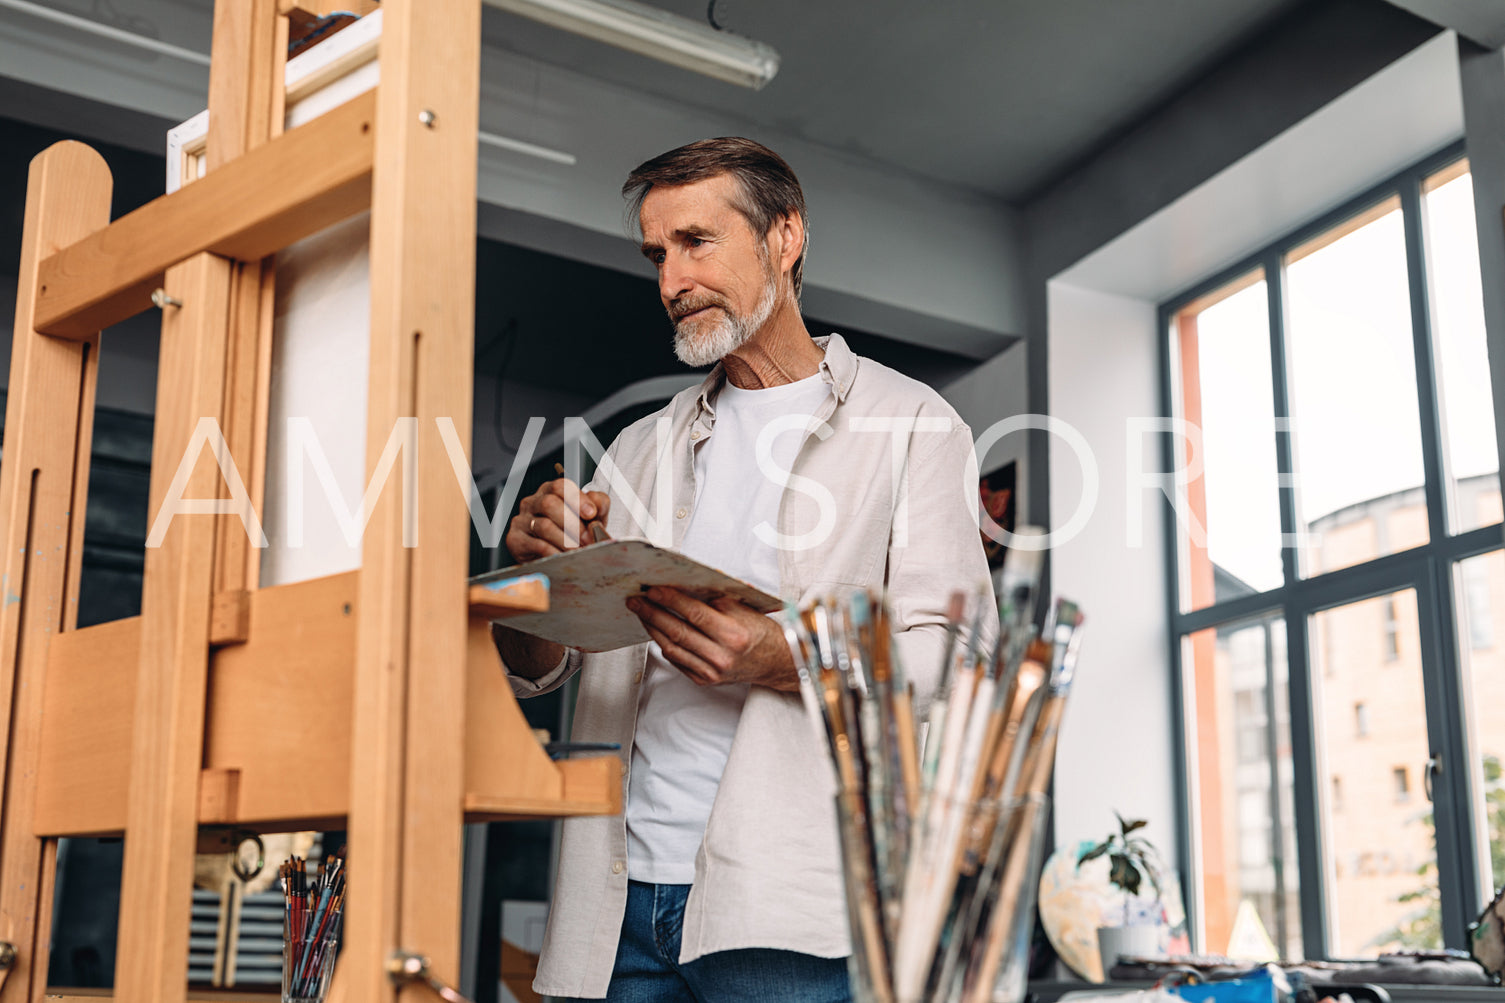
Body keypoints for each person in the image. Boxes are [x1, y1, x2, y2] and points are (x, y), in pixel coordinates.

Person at [494, 137, 993, 1001]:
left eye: (697, 242)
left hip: (794, 910)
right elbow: (539, 668)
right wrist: (535, 584)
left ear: (784, 237)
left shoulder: (912, 423)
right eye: (657, 254)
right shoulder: (638, 448)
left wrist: (786, 655)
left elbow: (956, 658)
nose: (670, 281)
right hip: (615, 907)